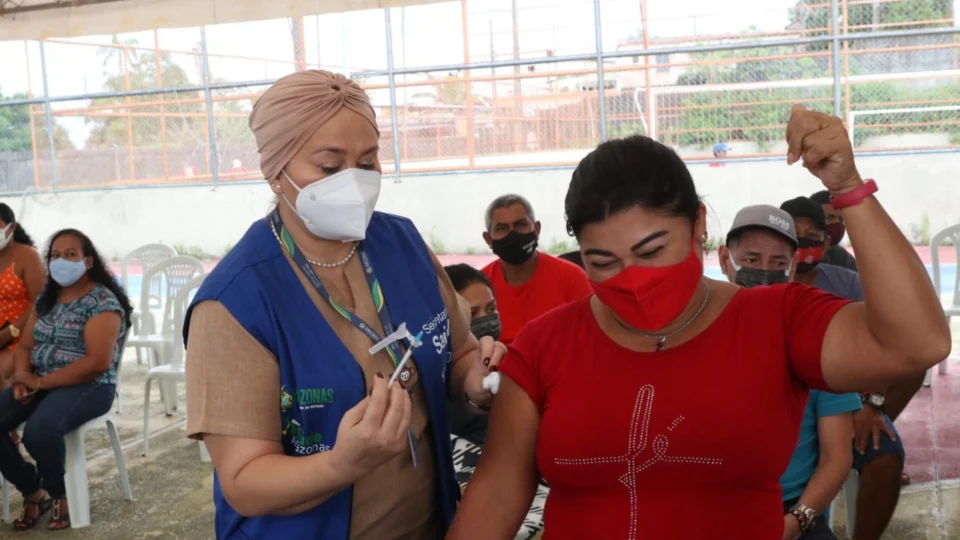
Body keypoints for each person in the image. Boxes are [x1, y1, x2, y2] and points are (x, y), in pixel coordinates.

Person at [447, 105, 951, 539]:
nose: (633, 279)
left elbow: (916, 342)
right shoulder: (544, 345)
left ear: (700, 226)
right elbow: (497, 492)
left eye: (652, 250)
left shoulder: (775, 320)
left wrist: (847, 187)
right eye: (602, 262)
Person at [183, 70, 504, 539]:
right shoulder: (236, 303)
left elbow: (457, 352)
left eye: (368, 162)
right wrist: (341, 464)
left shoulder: (403, 244)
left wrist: (476, 381)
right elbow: (244, 482)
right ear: (276, 173)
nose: (354, 183)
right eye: (330, 168)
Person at [719, 205, 859, 540]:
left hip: (789, 510)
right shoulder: (694, 333)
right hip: (711, 507)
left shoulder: (817, 341)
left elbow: (837, 456)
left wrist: (796, 522)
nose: (764, 272)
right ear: (726, 260)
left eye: (778, 263)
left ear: (792, 267)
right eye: (751, 260)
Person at [781, 196, 913, 540]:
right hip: (790, 409)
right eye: (796, 234)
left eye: (813, 235)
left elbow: (886, 348)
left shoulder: (848, 283)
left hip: (847, 399)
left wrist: (873, 406)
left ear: (827, 243)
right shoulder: (762, 283)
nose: (805, 243)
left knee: (884, 460)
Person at [0, 228, 131, 531]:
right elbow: (27, 347)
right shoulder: (48, 299)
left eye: (70, 255)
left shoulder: (102, 302)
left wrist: (40, 384)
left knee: (39, 432)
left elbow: (96, 363)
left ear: (87, 262)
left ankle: (60, 494)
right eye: (55, 255)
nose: (61, 261)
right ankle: (33, 490)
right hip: (40, 382)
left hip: (88, 386)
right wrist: (21, 378)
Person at [481, 194, 592, 345]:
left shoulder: (572, 278)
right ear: (488, 239)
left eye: (520, 224)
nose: (512, 234)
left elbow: (591, 336)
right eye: (502, 228)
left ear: (537, 229)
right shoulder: (481, 286)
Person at [444, 263, 501, 445]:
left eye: (492, 309)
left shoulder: (505, 361)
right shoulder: (437, 379)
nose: (486, 320)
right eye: (472, 313)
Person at [810, 190, 857, 271]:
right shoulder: (790, 250)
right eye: (829, 217)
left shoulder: (842, 258)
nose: (837, 223)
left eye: (841, 219)